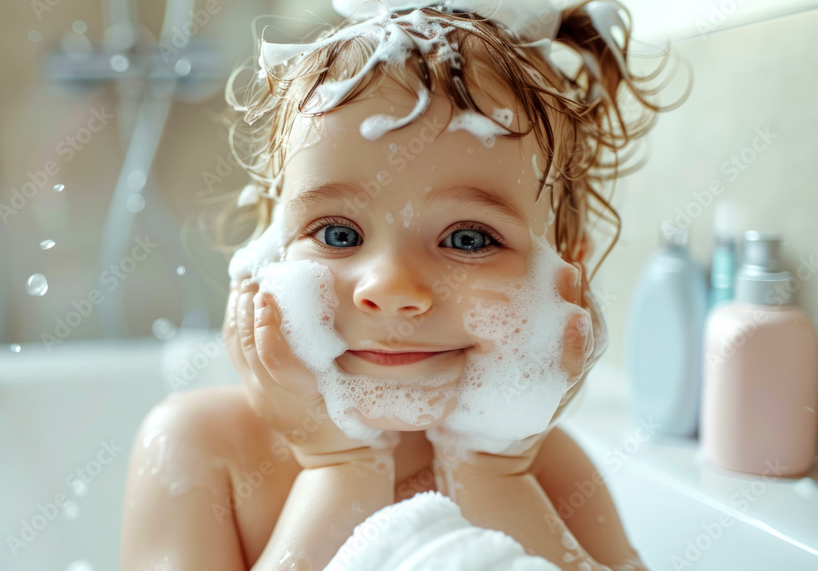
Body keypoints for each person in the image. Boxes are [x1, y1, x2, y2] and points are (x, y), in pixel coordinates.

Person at [121, 1, 683, 569]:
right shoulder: (202, 450)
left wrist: (493, 473)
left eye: (468, 239)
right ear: (270, 251)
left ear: (567, 276)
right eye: (339, 234)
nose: (390, 287)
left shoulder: (546, 467)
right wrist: (336, 465)